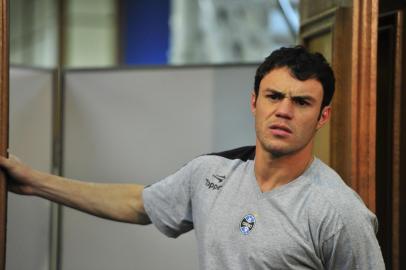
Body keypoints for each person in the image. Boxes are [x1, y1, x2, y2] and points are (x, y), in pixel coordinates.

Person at [0, 46, 385, 269]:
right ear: (254, 102)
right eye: (274, 96)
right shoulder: (211, 174)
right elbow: (139, 203)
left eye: (302, 102)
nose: (284, 111)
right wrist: (34, 181)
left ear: (323, 117)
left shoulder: (337, 211)